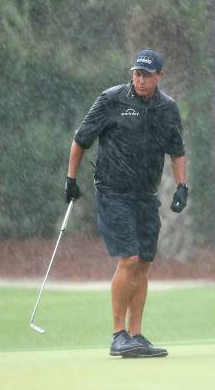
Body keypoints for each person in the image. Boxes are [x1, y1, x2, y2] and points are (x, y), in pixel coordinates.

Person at [65, 48, 188, 358]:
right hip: (113, 192)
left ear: (159, 76)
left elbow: (177, 150)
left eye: (146, 75)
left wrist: (182, 186)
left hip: (146, 195)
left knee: (145, 260)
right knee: (130, 258)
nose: (139, 79)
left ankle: (136, 334)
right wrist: (71, 179)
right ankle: (118, 334)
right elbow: (81, 138)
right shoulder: (112, 99)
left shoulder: (168, 109)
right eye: (136, 73)